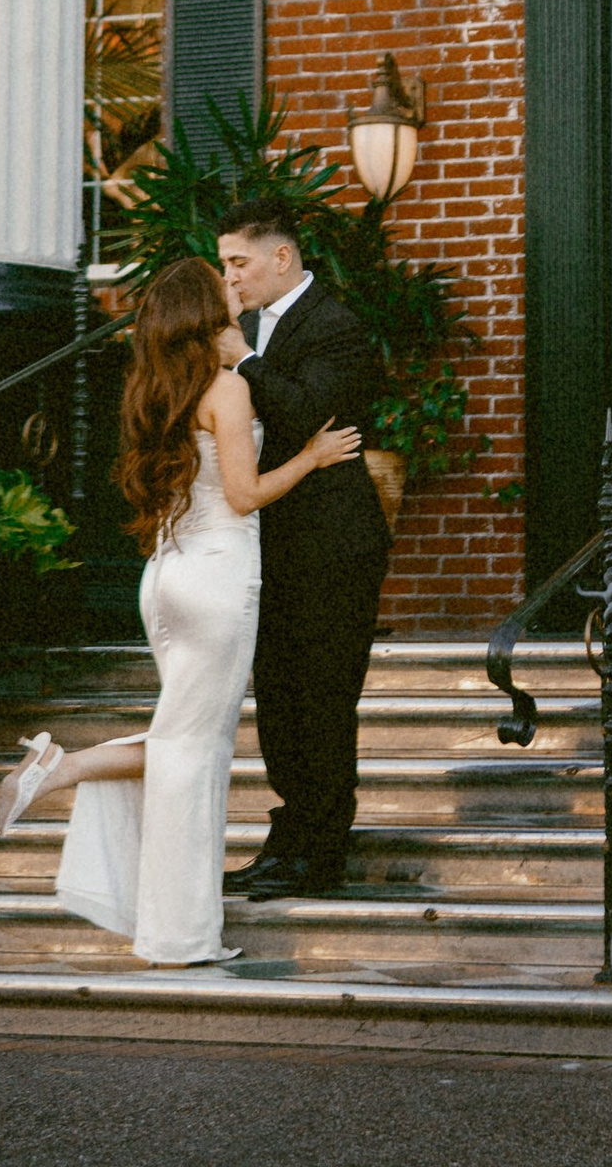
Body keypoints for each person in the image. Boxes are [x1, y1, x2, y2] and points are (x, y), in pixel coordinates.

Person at [0, 254, 360, 967]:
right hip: (220, 578)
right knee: (196, 753)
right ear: (202, 309)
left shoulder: (153, 389)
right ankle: (180, 934)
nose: (234, 284)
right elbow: (245, 496)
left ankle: (64, 774)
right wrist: (312, 457)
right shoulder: (226, 391)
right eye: (221, 282)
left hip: (164, 577)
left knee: (180, 741)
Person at [217, 199, 391, 897]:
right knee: (282, 701)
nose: (231, 279)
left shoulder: (337, 325)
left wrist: (247, 361)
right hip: (276, 543)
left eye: (239, 263)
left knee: (322, 699)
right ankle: (287, 840)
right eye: (226, 265)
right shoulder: (256, 325)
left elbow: (301, 413)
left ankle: (322, 857)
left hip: (335, 544)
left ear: (280, 258)